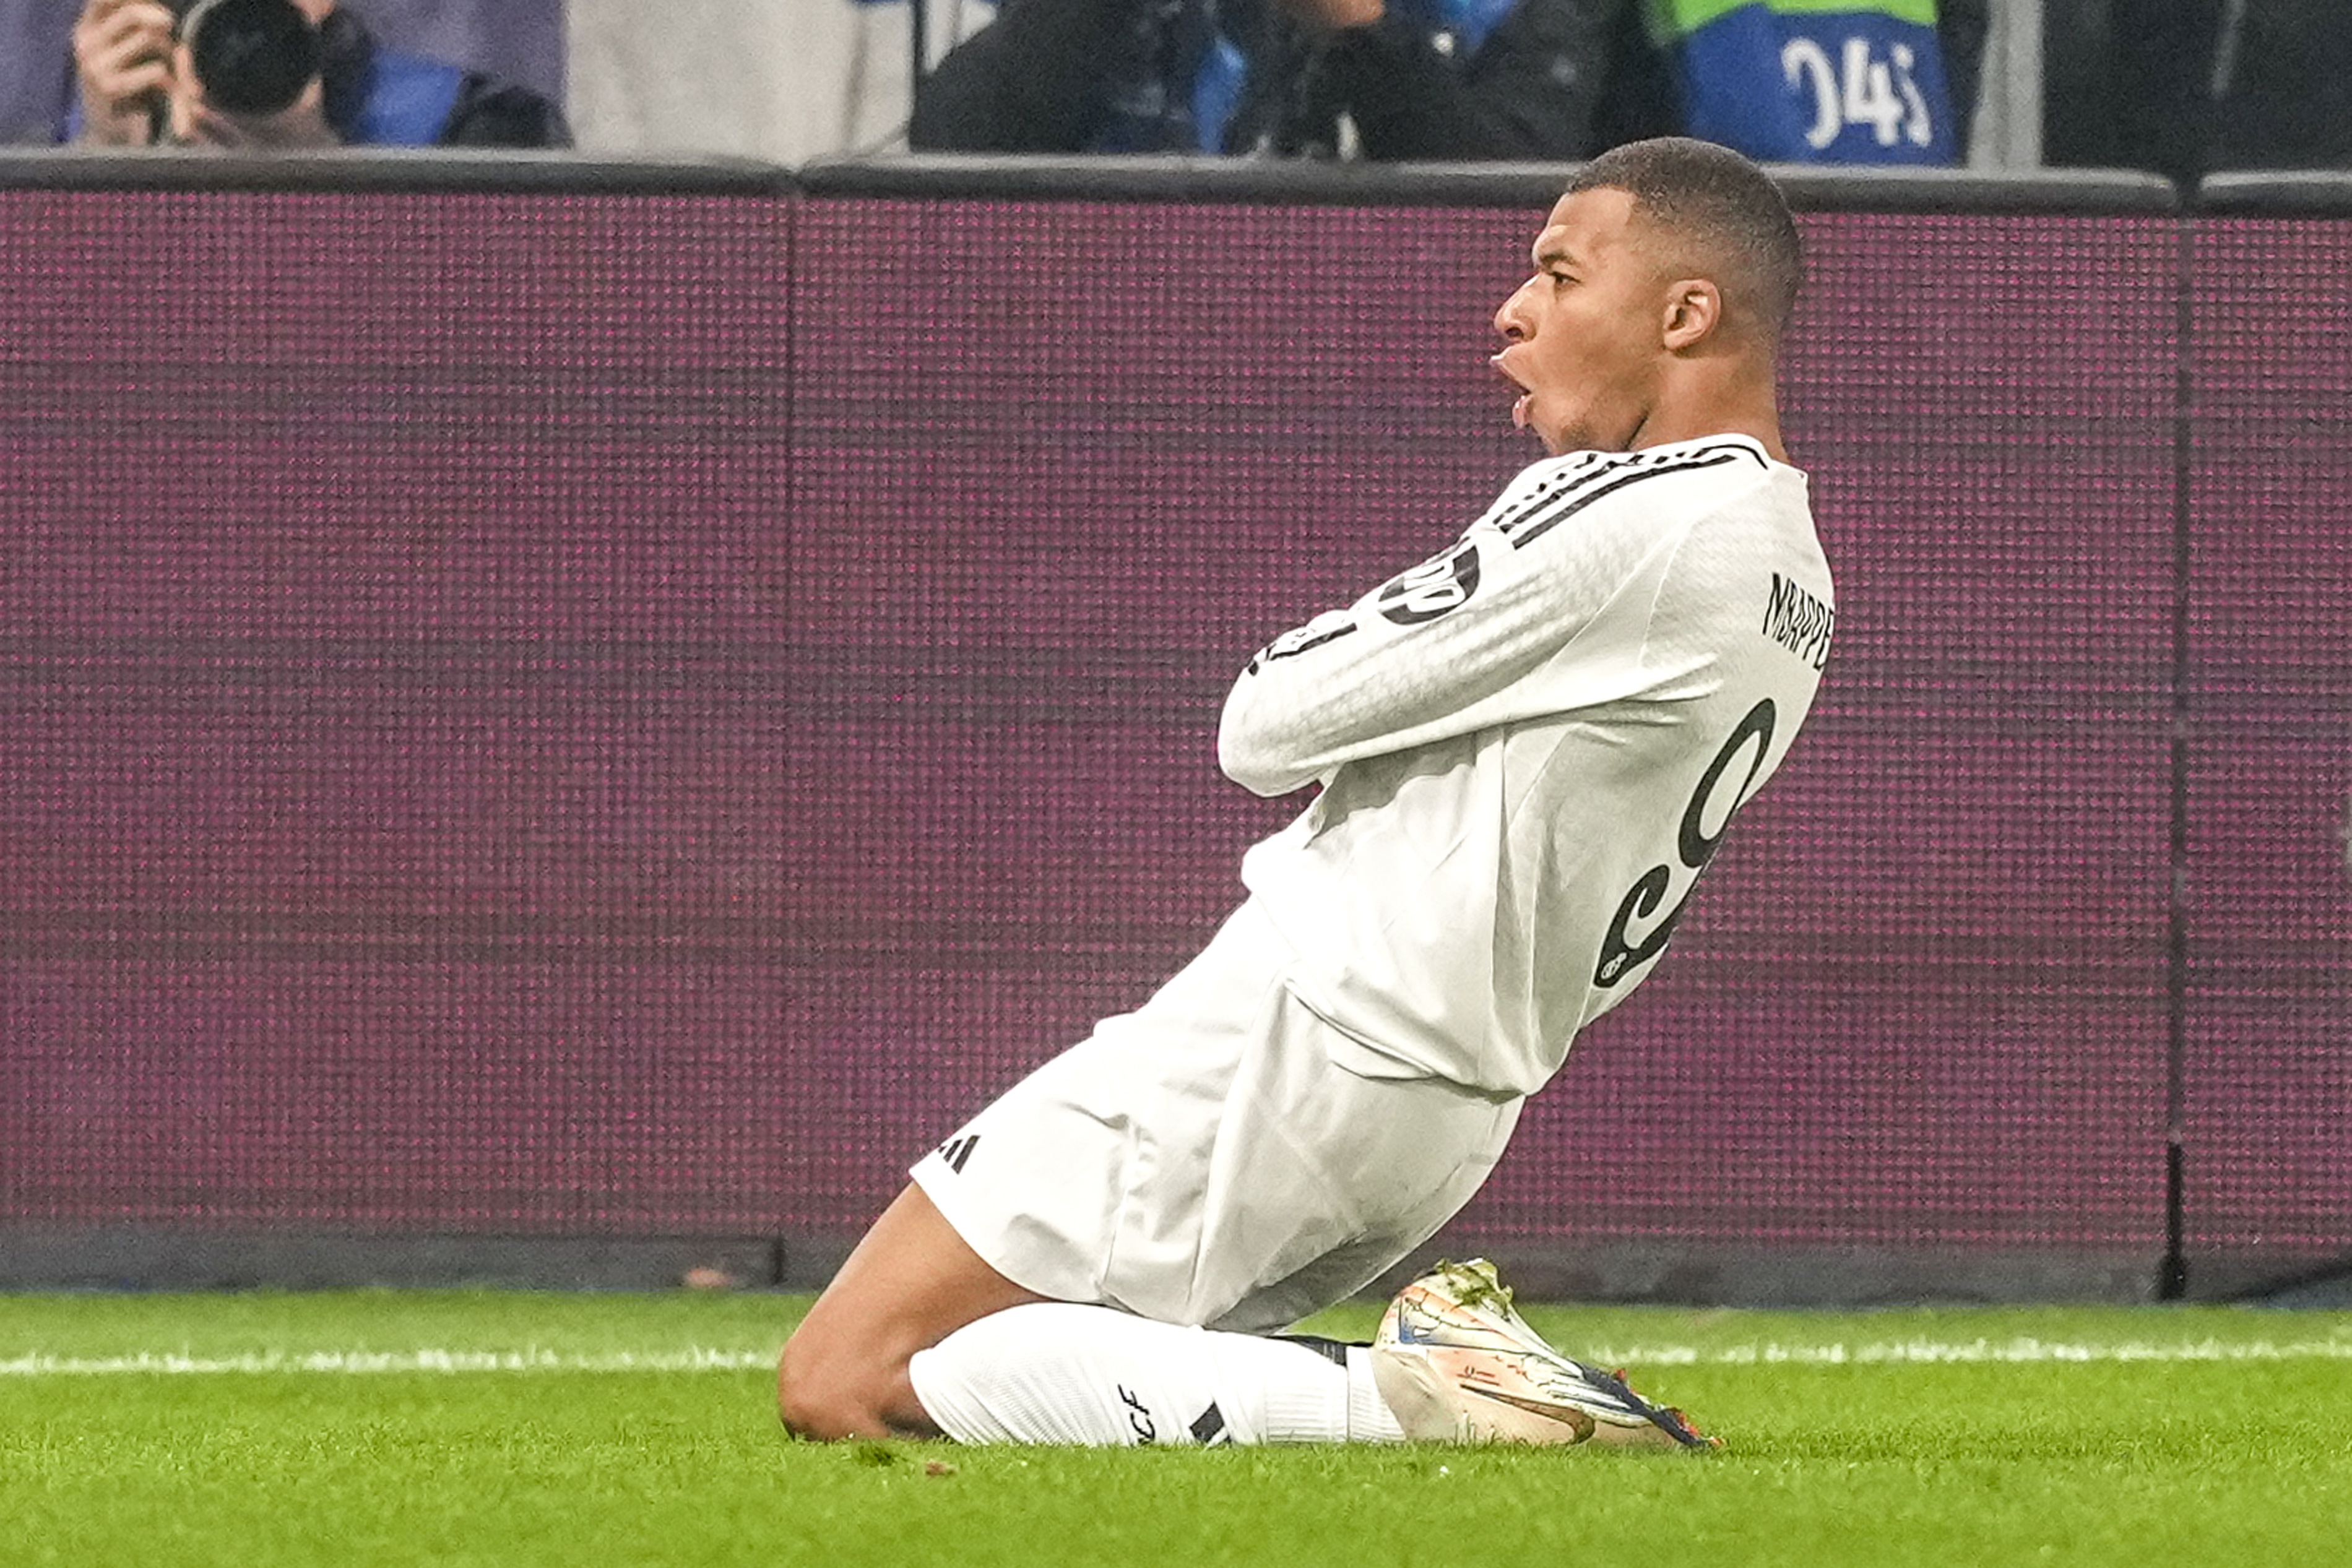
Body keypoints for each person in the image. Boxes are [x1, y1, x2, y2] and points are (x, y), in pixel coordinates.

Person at [778, 136, 1835, 1449]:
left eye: (1560, 275)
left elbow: (1265, 721)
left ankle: (1447, 1393)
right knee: (1037, 1360)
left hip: (1308, 1031)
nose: (1515, 310)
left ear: (1685, 315)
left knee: (846, 1370)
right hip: (1451, 1099)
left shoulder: (1634, 514)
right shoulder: (1792, 565)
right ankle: (1450, 1388)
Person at [909, 0, 1628, 160]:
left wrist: (1357, 31)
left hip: (1385, 361)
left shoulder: (1510, 15)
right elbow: (953, 144)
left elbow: (1509, 195)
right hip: (1127, 329)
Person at [66, 0, 568, 150]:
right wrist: (103, 160)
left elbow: (503, 355)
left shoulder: (486, 125)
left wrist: (318, 175)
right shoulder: (77, 113)